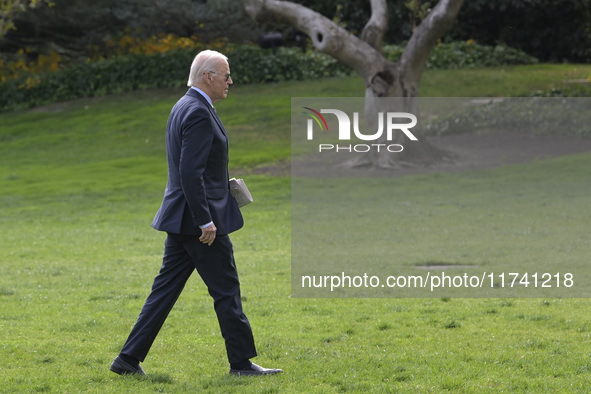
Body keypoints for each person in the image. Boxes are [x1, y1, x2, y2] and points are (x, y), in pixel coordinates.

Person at [110, 49, 282, 377]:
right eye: (226, 75)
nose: (230, 81)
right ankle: (242, 364)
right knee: (226, 289)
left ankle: (128, 360)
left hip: (180, 218)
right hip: (198, 223)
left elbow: (195, 168)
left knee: (164, 290)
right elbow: (190, 172)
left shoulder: (184, 105)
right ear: (208, 77)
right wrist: (205, 220)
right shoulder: (199, 111)